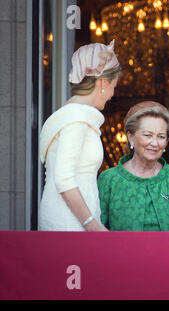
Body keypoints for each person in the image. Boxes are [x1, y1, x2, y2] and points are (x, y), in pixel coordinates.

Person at [39, 40, 121, 231]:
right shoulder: (76, 117)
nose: (112, 94)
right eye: (114, 86)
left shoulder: (72, 115)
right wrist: (92, 225)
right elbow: (63, 177)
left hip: (72, 220)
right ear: (102, 83)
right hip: (69, 224)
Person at [97, 102, 169, 231]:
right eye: (148, 135)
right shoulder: (109, 179)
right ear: (131, 137)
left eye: (161, 137)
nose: (155, 143)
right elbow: (97, 233)